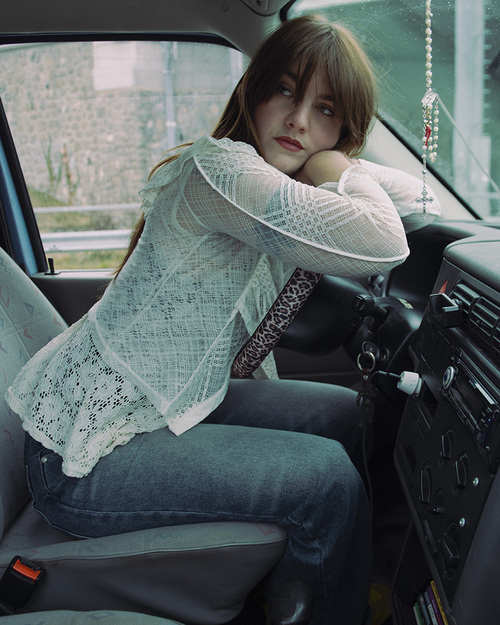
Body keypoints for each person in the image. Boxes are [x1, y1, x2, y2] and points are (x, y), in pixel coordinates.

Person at [6, 14, 440, 625]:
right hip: (82, 459)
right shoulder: (221, 171)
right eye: (286, 90)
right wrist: (335, 167)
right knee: (327, 480)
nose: (298, 120)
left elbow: (423, 199)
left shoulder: (273, 182)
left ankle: (333, 574)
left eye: (324, 109)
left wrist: (336, 162)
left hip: (159, 408)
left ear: (344, 127)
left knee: (346, 415)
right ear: (253, 92)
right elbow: (384, 241)